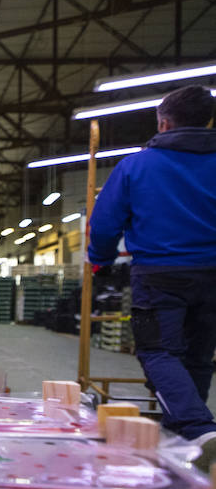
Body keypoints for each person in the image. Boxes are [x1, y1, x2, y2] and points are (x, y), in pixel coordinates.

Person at [89, 84, 216, 459]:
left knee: (159, 353)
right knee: (197, 356)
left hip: (160, 274)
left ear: (163, 122)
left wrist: (101, 261)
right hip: (213, 275)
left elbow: (106, 222)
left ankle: (199, 429)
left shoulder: (136, 165)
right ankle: (185, 439)